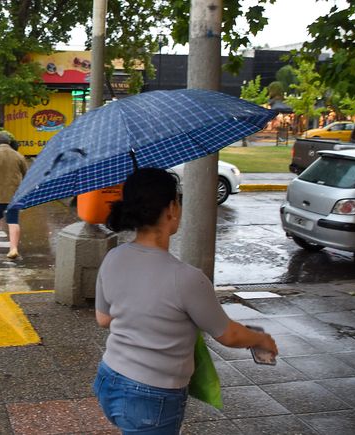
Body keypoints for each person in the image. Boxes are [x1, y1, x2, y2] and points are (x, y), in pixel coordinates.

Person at [93, 168, 279, 434]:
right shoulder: (188, 278)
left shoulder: (113, 257)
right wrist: (261, 340)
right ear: (171, 208)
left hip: (109, 380)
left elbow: (104, 319)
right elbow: (228, 335)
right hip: (151, 396)